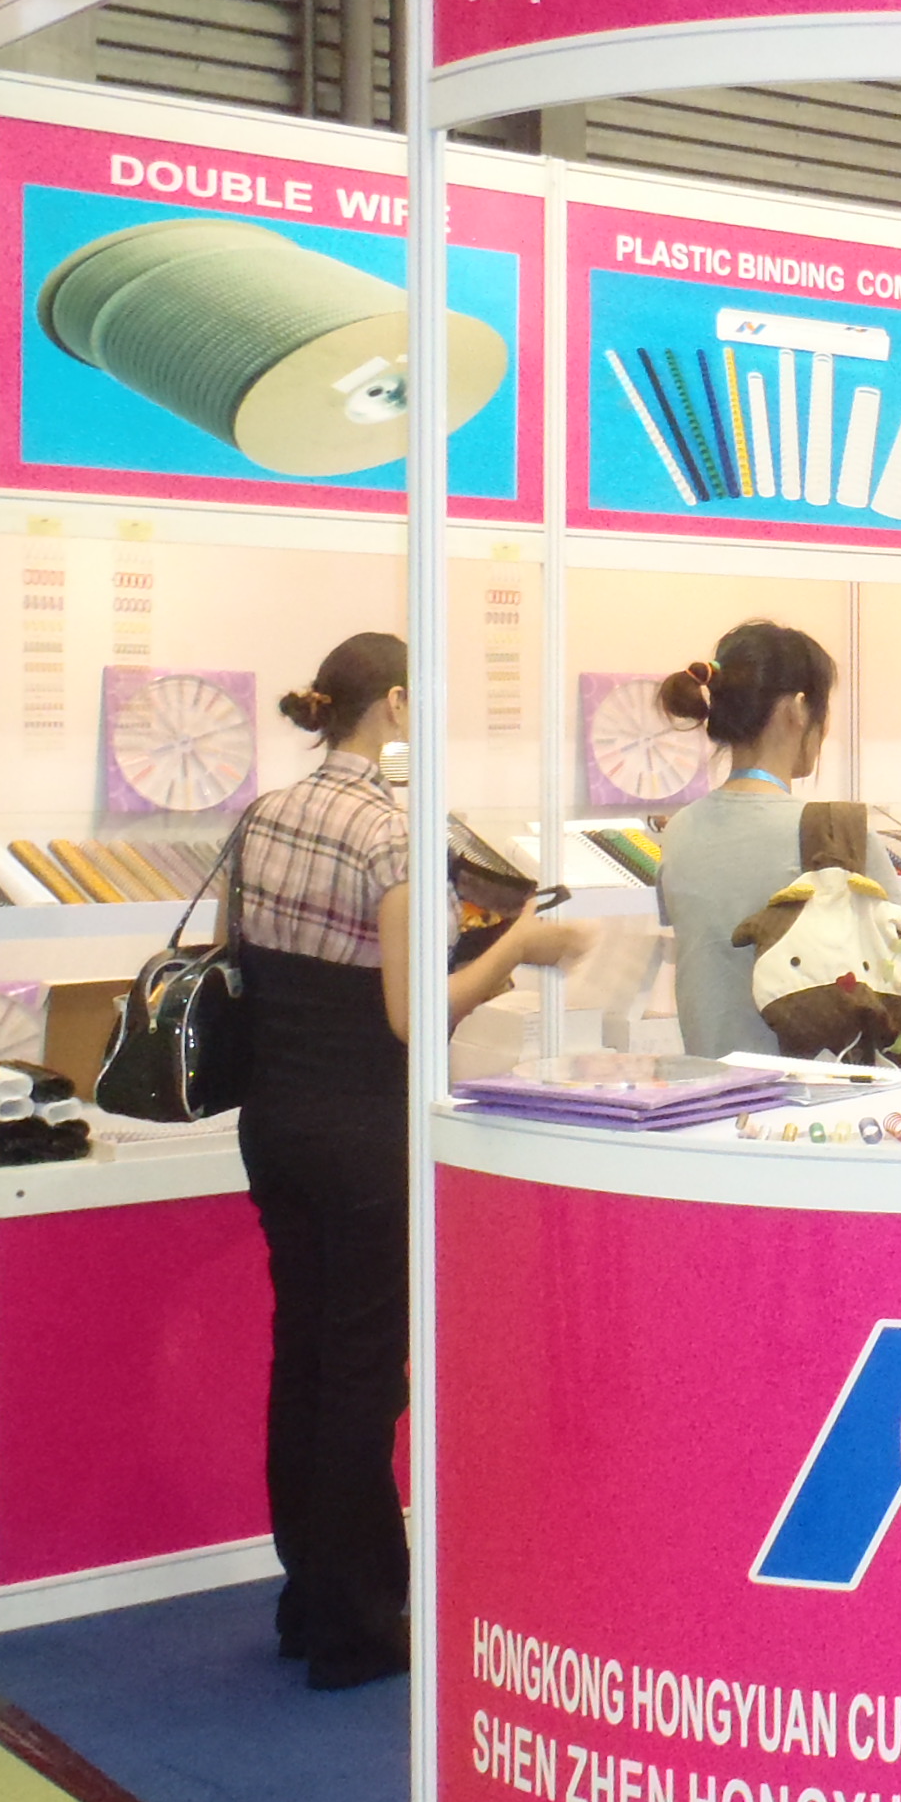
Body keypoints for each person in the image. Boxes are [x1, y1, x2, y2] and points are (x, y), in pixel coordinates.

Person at [237, 633, 581, 1690]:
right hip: (361, 1134)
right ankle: (356, 1625)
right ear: (393, 702)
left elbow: (280, 968)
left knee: (303, 1355)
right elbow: (409, 1015)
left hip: (274, 1121)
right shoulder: (392, 835)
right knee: (361, 1373)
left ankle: (310, 1598)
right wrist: (515, 948)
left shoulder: (265, 815)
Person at [655, 622, 901, 1059]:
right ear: (798, 709)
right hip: (823, 1092)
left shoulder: (679, 831)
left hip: (714, 1088)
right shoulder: (841, 832)